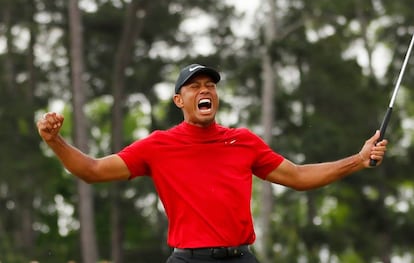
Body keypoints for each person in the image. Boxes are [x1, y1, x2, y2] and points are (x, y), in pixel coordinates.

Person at [37, 63, 388, 263]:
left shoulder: (243, 141)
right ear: (179, 100)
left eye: (210, 86)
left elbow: (297, 176)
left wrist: (358, 160)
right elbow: (92, 171)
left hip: (241, 259)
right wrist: (55, 141)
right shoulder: (159, 145)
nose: (204, 90)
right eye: (194, 87)